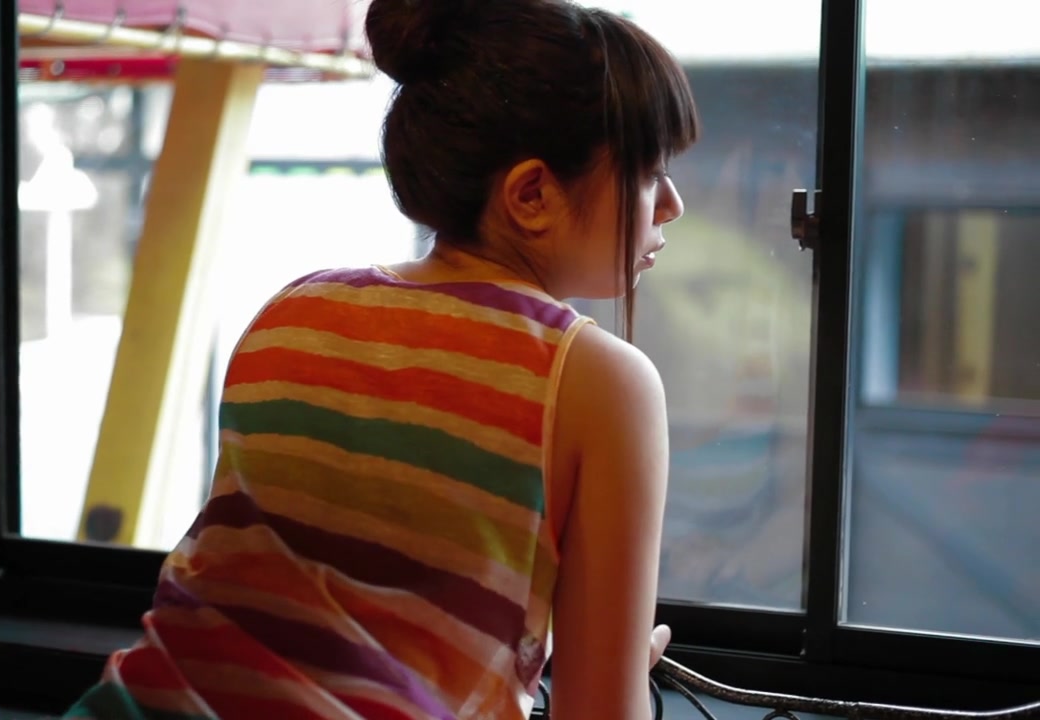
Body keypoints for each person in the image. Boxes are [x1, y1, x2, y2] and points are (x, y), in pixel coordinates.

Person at [65, 0, 698, 717]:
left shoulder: (292, 310)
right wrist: (620, 667)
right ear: (532, 194)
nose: (671, 204)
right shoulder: (598, 382)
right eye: (649, 173)